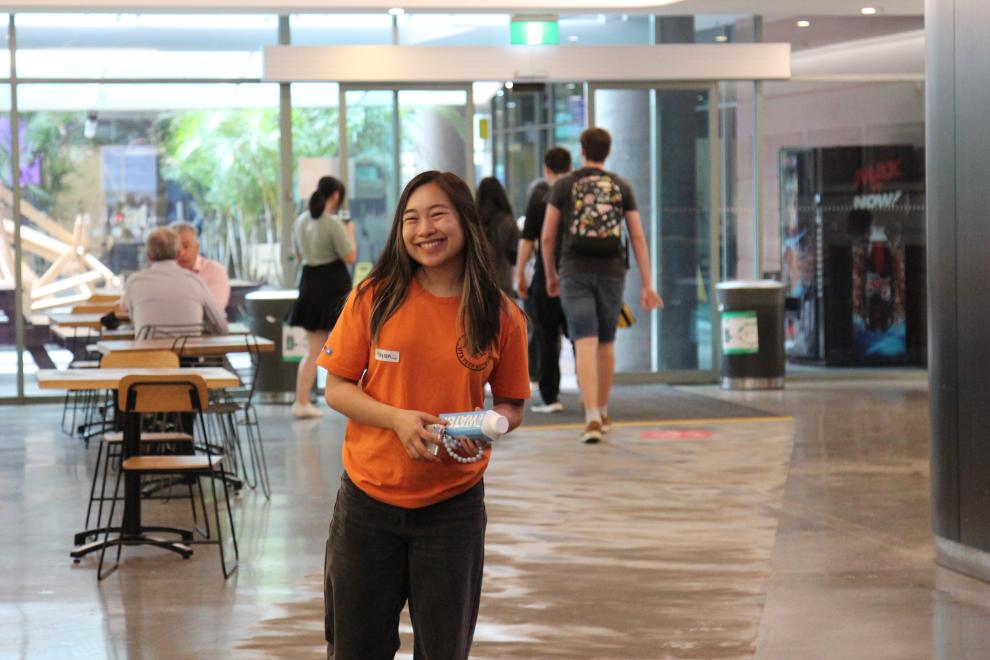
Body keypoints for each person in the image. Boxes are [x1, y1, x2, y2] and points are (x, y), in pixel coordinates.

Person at [316, 170, 529, 659]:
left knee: (443, 651)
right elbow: (337, 388)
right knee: (355, 649)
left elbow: (513, 402)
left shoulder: (499, 314)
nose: (423, 229)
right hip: (368, 503)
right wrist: (396, 419)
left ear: (465, 222)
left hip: (453, 509)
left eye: (437, 214)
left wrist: (490, 426)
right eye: (411, 218)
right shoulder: (375, 297)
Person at [541, 127, 663, 443]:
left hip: (574, 270)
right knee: (606, 343)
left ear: (582, 151)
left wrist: (551, 274)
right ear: (607, 152)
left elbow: (548, 235)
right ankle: (604, 410)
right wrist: (648, 284)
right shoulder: (621, 186)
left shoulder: (565, 184)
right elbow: (636, 235)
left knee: (584, 342)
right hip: (612, 271)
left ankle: (591, 416)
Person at [288, 176, 357, 419]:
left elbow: (297, 256)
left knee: (313, 349)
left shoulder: (300, 221)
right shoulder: (334, 223)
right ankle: (357, 401)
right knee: (354, 347)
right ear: (336, 195)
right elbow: (350, 256)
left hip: (309, 284)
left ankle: (302, 401)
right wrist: (350, 233)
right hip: (333, 286)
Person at [516, 146, 572, 414]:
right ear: (569, 167)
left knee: (547, 337)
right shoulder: (577, 194)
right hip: (576, 274)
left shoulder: (540, 196)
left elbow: (528, 241)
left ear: (546, 169)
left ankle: (551, 397)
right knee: (582, 338)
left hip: (546, 274)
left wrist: (519, 274)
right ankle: (593, 397)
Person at [122, 227, 229, 338]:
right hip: (189, 354)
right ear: (178, 253)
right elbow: (222, 328)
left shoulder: (135, 282)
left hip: (148, 354)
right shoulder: (195, 281)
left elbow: (134, 320)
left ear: (149, 256)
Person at [475, 176, 520, 295]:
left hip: (477, 282)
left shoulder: (473, 221)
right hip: (502, 281)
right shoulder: (507, 221)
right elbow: (514, 256)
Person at [172, 222, 231, 310]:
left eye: (186, 246)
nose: (181, 253)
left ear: (197, 247)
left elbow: (215, 310)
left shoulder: (215, 271)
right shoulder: (164, 274)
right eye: (176, 248)